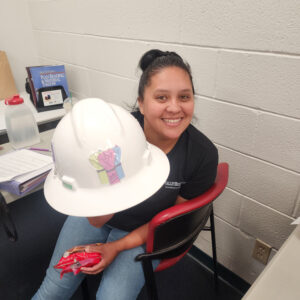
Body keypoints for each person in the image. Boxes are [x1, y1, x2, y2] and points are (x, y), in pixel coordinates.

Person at [32, 49, 218, 300]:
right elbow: (96, 218)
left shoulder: (201, 154)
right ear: (141, 103)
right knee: (55, 287)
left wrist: (115, 247)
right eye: (161, 97)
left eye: (184, 97)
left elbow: (168, 224)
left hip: (147, 231)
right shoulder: (113, 135)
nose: (174, 108)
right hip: (99, 216)